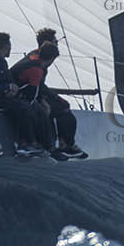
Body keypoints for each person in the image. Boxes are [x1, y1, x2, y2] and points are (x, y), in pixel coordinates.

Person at [30, 28, 87, 160]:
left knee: (62, 105)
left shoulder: (35, 56)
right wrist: (47, 98)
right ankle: (65, 145)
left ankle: (63, 143)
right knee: (63, 109)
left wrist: (52, 97)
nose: (58, 44)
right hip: (31, 95)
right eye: (56, 41)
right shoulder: (37, 60)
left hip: (36, 93)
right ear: (48, 43)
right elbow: (35, 83)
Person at [5, 43, 56, 158]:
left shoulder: (34, 61)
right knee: (32, 109)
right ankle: (27, 144)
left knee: (38, 109)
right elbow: (32, 93)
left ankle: (46, 146)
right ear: (51, 59)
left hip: (14, 94)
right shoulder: (36, 69)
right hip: (9, 96)